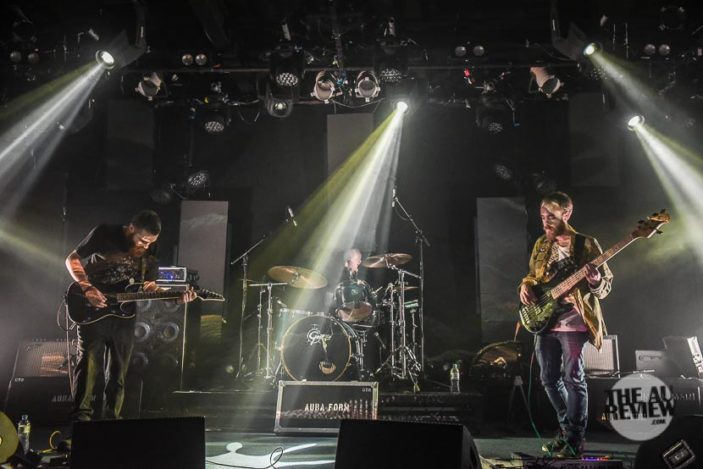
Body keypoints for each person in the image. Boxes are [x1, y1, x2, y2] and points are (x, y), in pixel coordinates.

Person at [65, 210, 195, 422]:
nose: (146, 246)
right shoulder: (105, 233)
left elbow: (148, 284)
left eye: (151, 242)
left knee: (119, 371)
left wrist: (173, 297)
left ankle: (112, 419)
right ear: (131, 229)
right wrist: (87, 288)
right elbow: (72, 259)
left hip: (124, 315)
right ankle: (80, 420)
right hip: (93, 308)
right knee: (88, 365)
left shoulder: (150, 249)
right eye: (143, 240)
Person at [519, 192, 613, 458]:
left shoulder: (586, 244)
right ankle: (566, 430)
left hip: (573, 321)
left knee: (573, 379)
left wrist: (595, 281)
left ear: (567, 213)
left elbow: (605, 286)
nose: (545, 220)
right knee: (548, 379)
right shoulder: (541, 243)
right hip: (545, 320)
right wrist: (524, 286)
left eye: (551, 215)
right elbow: (532, 276)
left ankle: (575, 439)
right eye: (542, 216)